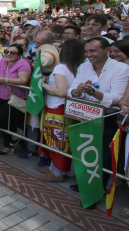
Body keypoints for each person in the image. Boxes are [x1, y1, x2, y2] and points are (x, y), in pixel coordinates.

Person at [69, 37, 129, 202]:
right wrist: (78, 91)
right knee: (85, 151)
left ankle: (96, 192)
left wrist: (94, 93)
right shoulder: (83, 66)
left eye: (93, 51)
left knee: (104, 156)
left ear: (107, 50)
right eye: (87, 51)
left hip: (109, 118)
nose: (89, 55)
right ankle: (86, 183)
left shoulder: (121, 69)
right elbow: (72, 89)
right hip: (86, 115)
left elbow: (117, 97)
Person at [36, 40, 85, 182]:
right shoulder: (76, 68)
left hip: (57, 108)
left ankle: (57, 172)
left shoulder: (61, 68)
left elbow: (61, 91)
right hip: (63, 108)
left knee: (57, 141)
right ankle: (53, 167)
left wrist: (44, 84)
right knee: (60, 140)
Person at [0, 44, 31, 156]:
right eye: (7, 51)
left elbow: (23, 80)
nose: (8, 54)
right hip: (1, 95)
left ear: (19, 55)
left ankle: (16, 133)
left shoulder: (23, 64)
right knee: (4, 122)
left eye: (13, 52)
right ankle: (7, 146)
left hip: (15, 98)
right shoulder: (2, 61)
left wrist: (3, 79)